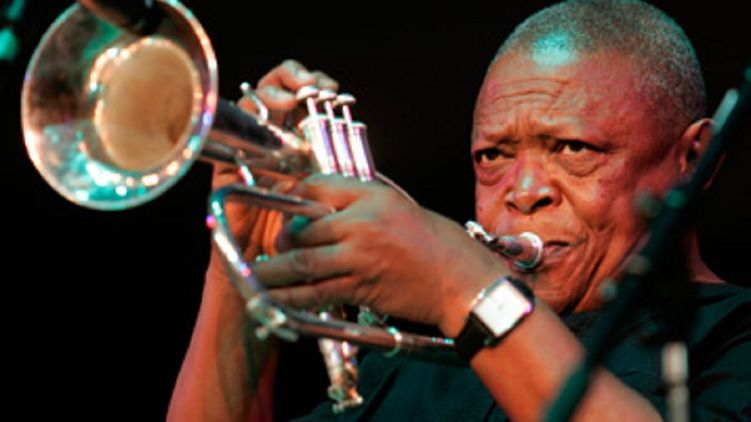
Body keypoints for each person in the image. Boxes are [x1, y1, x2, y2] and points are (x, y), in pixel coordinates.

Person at [168, 0, 751, 420]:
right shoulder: (414, 368)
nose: (524, 192)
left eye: (574, 148)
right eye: (493, 156)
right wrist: (236, 262)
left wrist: (461, 286)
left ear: (693, 159)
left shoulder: (736, 338)